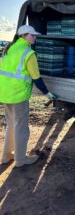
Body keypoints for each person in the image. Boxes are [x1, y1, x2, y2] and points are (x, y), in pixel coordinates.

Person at [0, 25, 56, 167]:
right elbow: (36, 78)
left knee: (11, 124)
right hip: (18, 96)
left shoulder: (9, 48)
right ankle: (20, 159)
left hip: (5, 93)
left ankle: (6, 156)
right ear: (24, 35)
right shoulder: (28, 53)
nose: (35, 37)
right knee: (21, 128)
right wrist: (48, 94)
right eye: (32, 35)